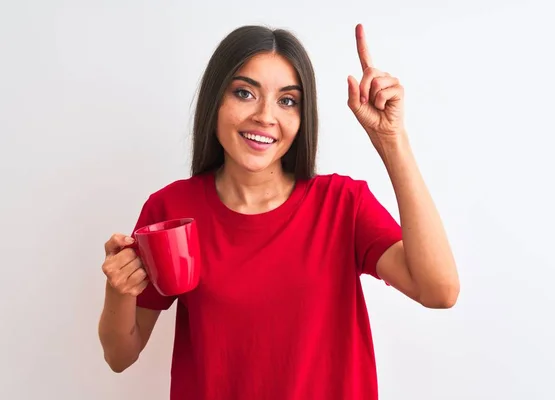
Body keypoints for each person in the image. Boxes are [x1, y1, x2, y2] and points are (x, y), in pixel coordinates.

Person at [98, 23, 459, 400]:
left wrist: (391, 140)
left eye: (287, 101)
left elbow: (439, 290)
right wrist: (118, 291)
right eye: (244, 93)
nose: (265, 116)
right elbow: (120, 355)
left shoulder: (342, 204)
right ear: (215, 100)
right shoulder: (171, 210)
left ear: (303, 117)